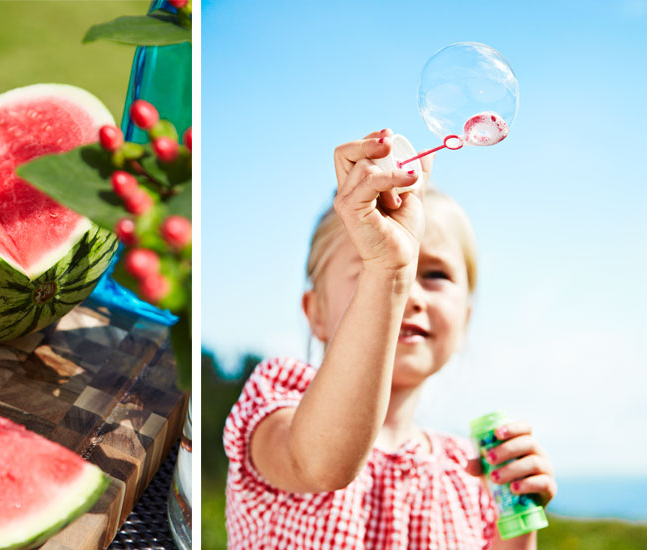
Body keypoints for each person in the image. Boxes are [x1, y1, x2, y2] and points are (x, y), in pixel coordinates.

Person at [223, 129, 557, 550]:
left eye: (434, 274)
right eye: (366, 265)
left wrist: (518, 519)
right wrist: (387, 271)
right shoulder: (277, 400)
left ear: (466, 318)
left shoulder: (469, 476)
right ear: (316, 312)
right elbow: (320, 465)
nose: (410, 293)